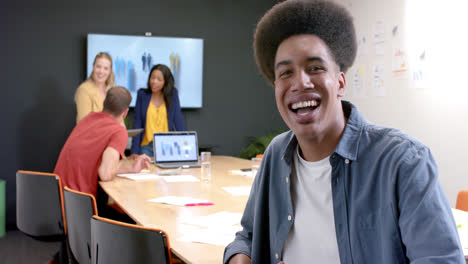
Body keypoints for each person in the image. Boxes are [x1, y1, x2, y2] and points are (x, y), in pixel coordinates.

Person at [224, 0, 464, 263]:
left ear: (340, 83)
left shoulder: (402, 161)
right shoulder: (276, 155)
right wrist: (241, 258)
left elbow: (440, 259)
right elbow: (248, 236)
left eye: (315, 68)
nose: (300, 82)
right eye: (285, 73)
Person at [55, 86, 151, 216]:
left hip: (58, 201)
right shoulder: (118, 131)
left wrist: (131, 168)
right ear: (125, 112)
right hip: (79, 210)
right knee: (135, 218)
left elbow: (99, 167)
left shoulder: (88, 119)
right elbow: (105, 174)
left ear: (104, 103)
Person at [130, 64, 186, 157]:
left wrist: (187, 148)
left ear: (166, 82)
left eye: (159, 79)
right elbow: (137, 123)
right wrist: (134, 152)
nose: (154, 81)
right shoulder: (142, 94)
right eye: (152, 77)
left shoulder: (172, 94)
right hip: (146, 147)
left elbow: (178, 120)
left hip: (168, 147)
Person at [75, 52, 115, 123]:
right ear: (93, 67)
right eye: (98, 66)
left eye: (105, 68)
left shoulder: (114, 89)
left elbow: (119, 119)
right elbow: (84, 123)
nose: (101, 71)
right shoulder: (84, 90)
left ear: (110, 71)